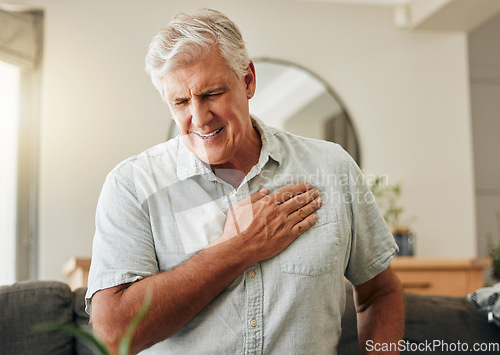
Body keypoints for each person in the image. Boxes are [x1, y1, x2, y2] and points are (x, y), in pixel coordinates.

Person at [86, 8, 404, 354]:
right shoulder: (132, 186)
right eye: (180, 102)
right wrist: (235, 249)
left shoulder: (333, 167)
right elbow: (113, 336)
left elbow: (380, 293)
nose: (199, 118)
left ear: (248, 80)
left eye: (211, 94)